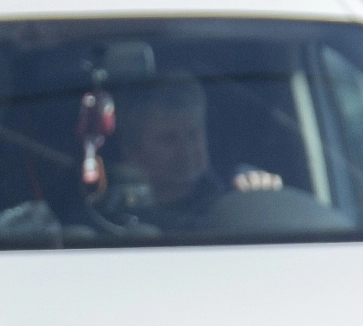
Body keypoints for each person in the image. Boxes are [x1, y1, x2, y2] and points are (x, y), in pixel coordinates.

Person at [115, 72, 281, 222]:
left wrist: (261, 193)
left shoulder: (236, 189)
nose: (186, 151)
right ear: (133, 152)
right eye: (168, 140)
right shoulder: (116, 218)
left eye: (193, 135)